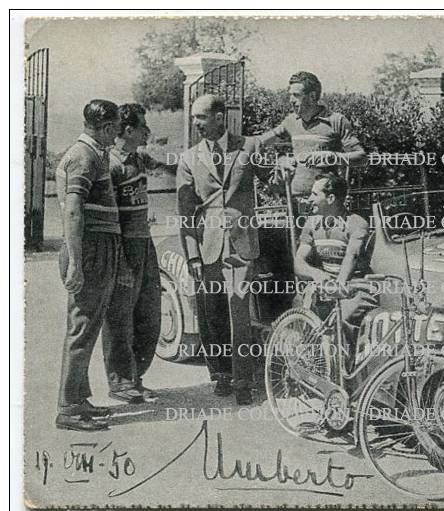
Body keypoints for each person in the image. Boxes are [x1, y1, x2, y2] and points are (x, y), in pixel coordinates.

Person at [176, 94, 267, 405]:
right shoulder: (188, 159)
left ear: (220, 117)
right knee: (213, 313)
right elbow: (186, 213)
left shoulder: (250, 147)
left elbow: (274, 182)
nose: (196, 124)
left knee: (238, 309)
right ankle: (221, 375)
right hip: (208, 244)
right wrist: (192, 255)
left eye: (201, 118)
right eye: (194, 119)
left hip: (242, 243)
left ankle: (244, 380)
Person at [55, 100, 122, 431]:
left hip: (99, 248)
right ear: (107, 127)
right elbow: (72, 210)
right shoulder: (84, 155)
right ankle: (68, 407)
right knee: (81, 328)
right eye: (117, 126)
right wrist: (76, 263)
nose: (119, 132)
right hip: (90, 250)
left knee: (89, 325)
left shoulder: (95, 154)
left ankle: (79, 399)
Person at [102, 103, 173, 403]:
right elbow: (110, 218)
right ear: (128, 130)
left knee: (149, 315)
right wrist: (120, 262)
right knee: (120, 316)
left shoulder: (139, 158)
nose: (148, 131)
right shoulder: (109, 164)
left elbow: (171, 168)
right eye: (144, 126)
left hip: (145, 243)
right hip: (124, 246)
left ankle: (136, 376)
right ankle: (120, 382)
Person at [260, 71, 365, 208]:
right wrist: (280, 160)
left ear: (312, 96)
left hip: (326, 205)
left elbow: (362, 157)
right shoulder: (291, 121)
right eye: (290, 95)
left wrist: (333, 157)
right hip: (295, 206)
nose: (291, 100)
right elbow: (259, 142)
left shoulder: (336, 121)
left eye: (296, 95)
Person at [295, 174, 377, 345]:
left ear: (331, 198)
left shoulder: (356, 224)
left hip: (356, 288)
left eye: (315, 194)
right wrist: (315, 274)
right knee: (299, 307)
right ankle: (311, 363)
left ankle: (344, 368)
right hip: (327, 285)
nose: (309, 199)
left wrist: (337, 286)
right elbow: (299, 263)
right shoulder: (311, 224)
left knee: (342, 317)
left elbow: (351, 257)